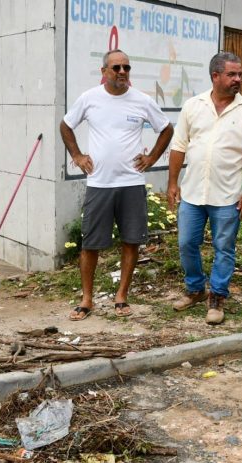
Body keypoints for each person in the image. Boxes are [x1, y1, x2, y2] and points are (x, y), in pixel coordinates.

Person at [60, 49, 174, 321]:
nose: (122, 72)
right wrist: (77, 155)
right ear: (104, 72)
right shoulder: (90, 99)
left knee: (131, 241)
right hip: (99, 183)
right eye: (116, 68)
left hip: (131, 182)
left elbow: (166, 128)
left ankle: (121, 295)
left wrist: (152, 158)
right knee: (91, 244)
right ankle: (86, 299)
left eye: (126, 67)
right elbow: (66, 125)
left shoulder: (142, 101)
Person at [167, 52, 242, 325]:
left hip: (228, 196)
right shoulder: (193, 106)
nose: (238, 80)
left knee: (224, 247)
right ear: (215, 76)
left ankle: (217, 296)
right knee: (187, 243)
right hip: (193, 192)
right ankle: (196, 289)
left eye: (240, 75)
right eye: (232, 74)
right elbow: (178, 147)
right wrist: (172, 183)